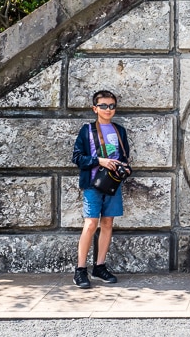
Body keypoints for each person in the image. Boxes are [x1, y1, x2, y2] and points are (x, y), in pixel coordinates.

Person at [71, 90, 131, 289]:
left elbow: (124, 156)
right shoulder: (87, 130)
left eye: (112, 106)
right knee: (90, 224)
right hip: (92, 183)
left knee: (107, 223)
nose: (108, 109)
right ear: (95, 108)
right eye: (104, 106)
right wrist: (99, 161)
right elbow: (77, 158)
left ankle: (99, 266)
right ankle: (80, 270)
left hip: (113, 183)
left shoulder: (119, 130)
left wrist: (125, 167)